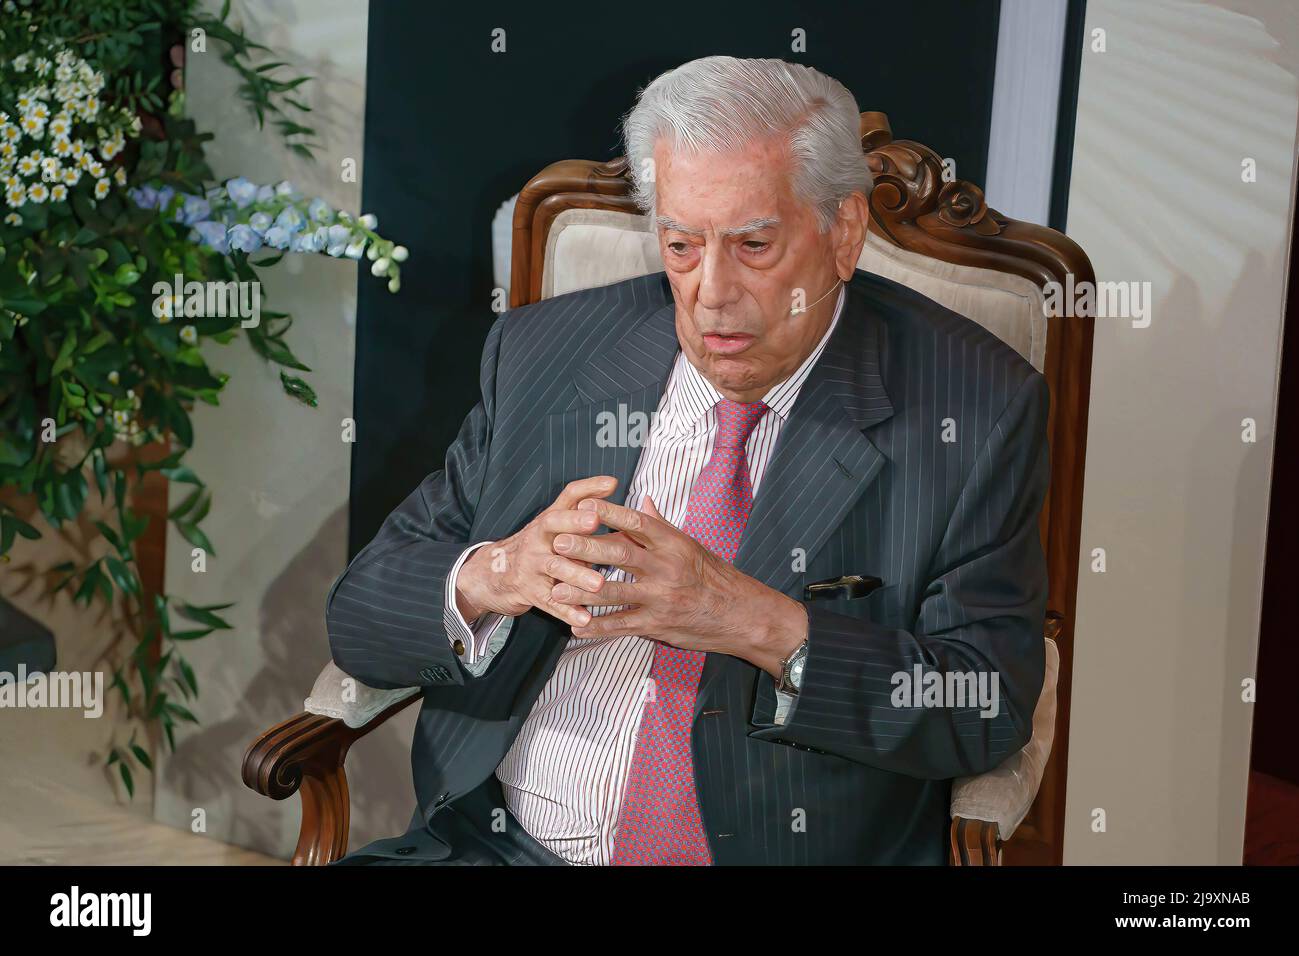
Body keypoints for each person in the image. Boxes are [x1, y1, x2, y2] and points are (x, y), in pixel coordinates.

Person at [327, 55, 1048, 865]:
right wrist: (497, 574)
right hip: (499, 846)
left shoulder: (974, 407)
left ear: (843, 232)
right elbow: (359, 616)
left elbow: (982, 706)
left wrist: (750, 619)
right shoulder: (546, 353)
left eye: (753, 245)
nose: (711, 293)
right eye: (680, 244)